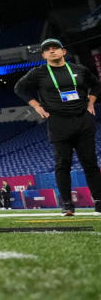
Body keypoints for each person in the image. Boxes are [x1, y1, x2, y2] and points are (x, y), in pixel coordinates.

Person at [14, 37, 101, 216]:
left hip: (83, 120)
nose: (52, 50)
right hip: (59, 122)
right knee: (63, 164)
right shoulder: (39, 73)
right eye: (48, 49)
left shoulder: (79, 70)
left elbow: (96, 85)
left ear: (63, 52)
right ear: (44, 55)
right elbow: (19, 88)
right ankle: (67, 204)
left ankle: (99, 201)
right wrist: (37, 106)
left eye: (56, 48)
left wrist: (91, 102)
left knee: (90, 163)